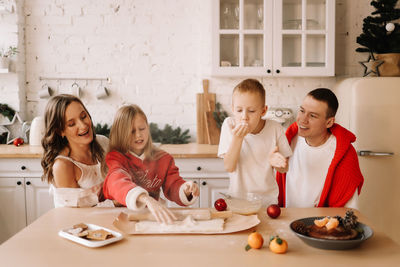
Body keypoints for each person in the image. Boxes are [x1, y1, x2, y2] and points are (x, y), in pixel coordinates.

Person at [103, 104, 199, 224]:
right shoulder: (116, 157)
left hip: (151, 219)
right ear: (121, 134)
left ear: (147, 128)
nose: (138, 135)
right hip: (121, 218)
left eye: (142, 128)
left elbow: (173, 185)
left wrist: (185, 189)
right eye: (132, 131)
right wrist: (145, 198)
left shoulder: (163, 158)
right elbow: (116, 180)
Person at [276, 88, 364, 208]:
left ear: (329, 122)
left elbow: (349, 210)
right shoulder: (288, 141)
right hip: (286, 220)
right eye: (302, 111)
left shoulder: (345, 155)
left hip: (321, 223)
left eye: (312, 116)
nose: (302, 119)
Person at [218, 79, 292, 205]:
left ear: (263, 111)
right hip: (237, 200)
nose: (244, 116)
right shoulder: (229, 125)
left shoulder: (275, 128)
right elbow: (229, 167)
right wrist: (238, 138)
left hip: (267, 201)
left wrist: (278, 163)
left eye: (251, 111)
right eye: (239, 110)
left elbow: (284, 169)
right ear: (232, 109)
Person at [41, 94, 109, 207]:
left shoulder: (103, 143)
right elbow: (75, 212)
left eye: (83, 116)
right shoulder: (63, 165)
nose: (83, 126)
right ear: (60, 131)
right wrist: (116, 201)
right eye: (71, 124)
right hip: (78, 223)